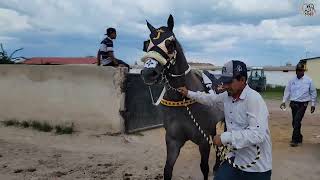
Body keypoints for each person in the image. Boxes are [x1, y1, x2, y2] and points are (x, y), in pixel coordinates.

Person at [178, 60, 272, 180]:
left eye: (229, 82)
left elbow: (258, 134)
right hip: (235, 158)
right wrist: (188, 93)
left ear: (242, 80)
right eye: (224, 81)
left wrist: (224, 138)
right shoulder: (227, 96)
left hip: (257, 167)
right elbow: (210, 99)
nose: (225, 86)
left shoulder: (254, 99)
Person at [280, 62, 317, 147]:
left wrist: (313, 104)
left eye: (301, 70)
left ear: (303, 71)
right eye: (298, 70)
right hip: (293, 103)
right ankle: (299, 136)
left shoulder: (309, 80)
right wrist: (283, 101)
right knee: (295, 122)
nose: (300, 72)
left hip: (303, 104)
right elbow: (287, 91)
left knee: (297, 120)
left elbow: (313, 92)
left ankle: (295, 140)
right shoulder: (292, 80)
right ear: (296, 71)